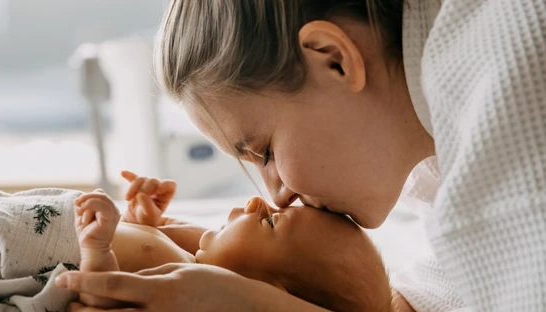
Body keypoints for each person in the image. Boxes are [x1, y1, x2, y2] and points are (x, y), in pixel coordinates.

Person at [57, 0, 546, 311]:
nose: (276, 194)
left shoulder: (506, 92)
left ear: (334, 59)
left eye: (265, 151)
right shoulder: (441, 104)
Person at [76, 171, 390, 312]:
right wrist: (145, 220)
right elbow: (157, 236)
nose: (257, 201)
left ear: (263, 289)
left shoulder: (178, 292)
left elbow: (104, 298)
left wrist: (96, 250)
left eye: (270, 222)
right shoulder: (198, 258)